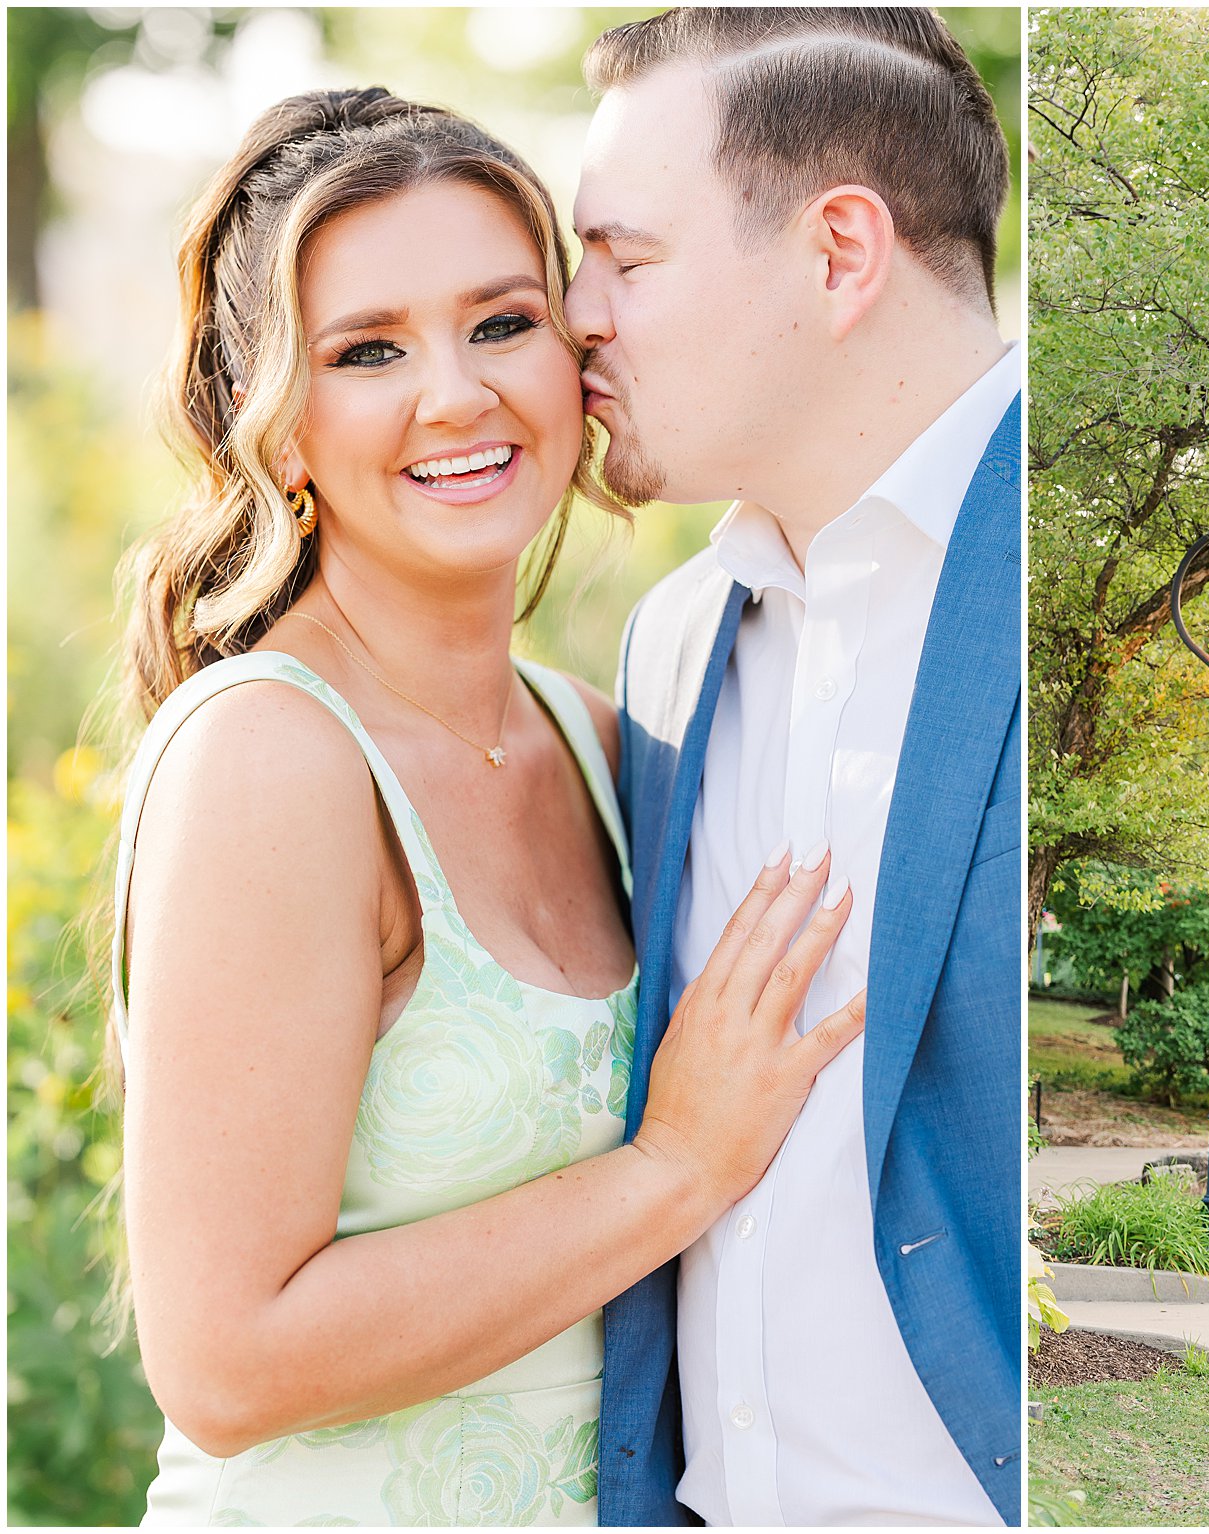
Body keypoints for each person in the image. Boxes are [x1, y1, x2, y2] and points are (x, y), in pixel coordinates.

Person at [110, 89, 864, 1526]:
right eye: (369, 349)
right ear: (279, 429)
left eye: (502, 322)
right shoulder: (271, 756)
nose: (455, 393)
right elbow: (223, 1356)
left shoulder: (596, 737)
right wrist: (674, 1166)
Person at [564, 10, 1022, 1525]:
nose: (574, 316)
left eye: (625, 260)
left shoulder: (1057, 578)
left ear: (839, 253)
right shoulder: (674, 647)